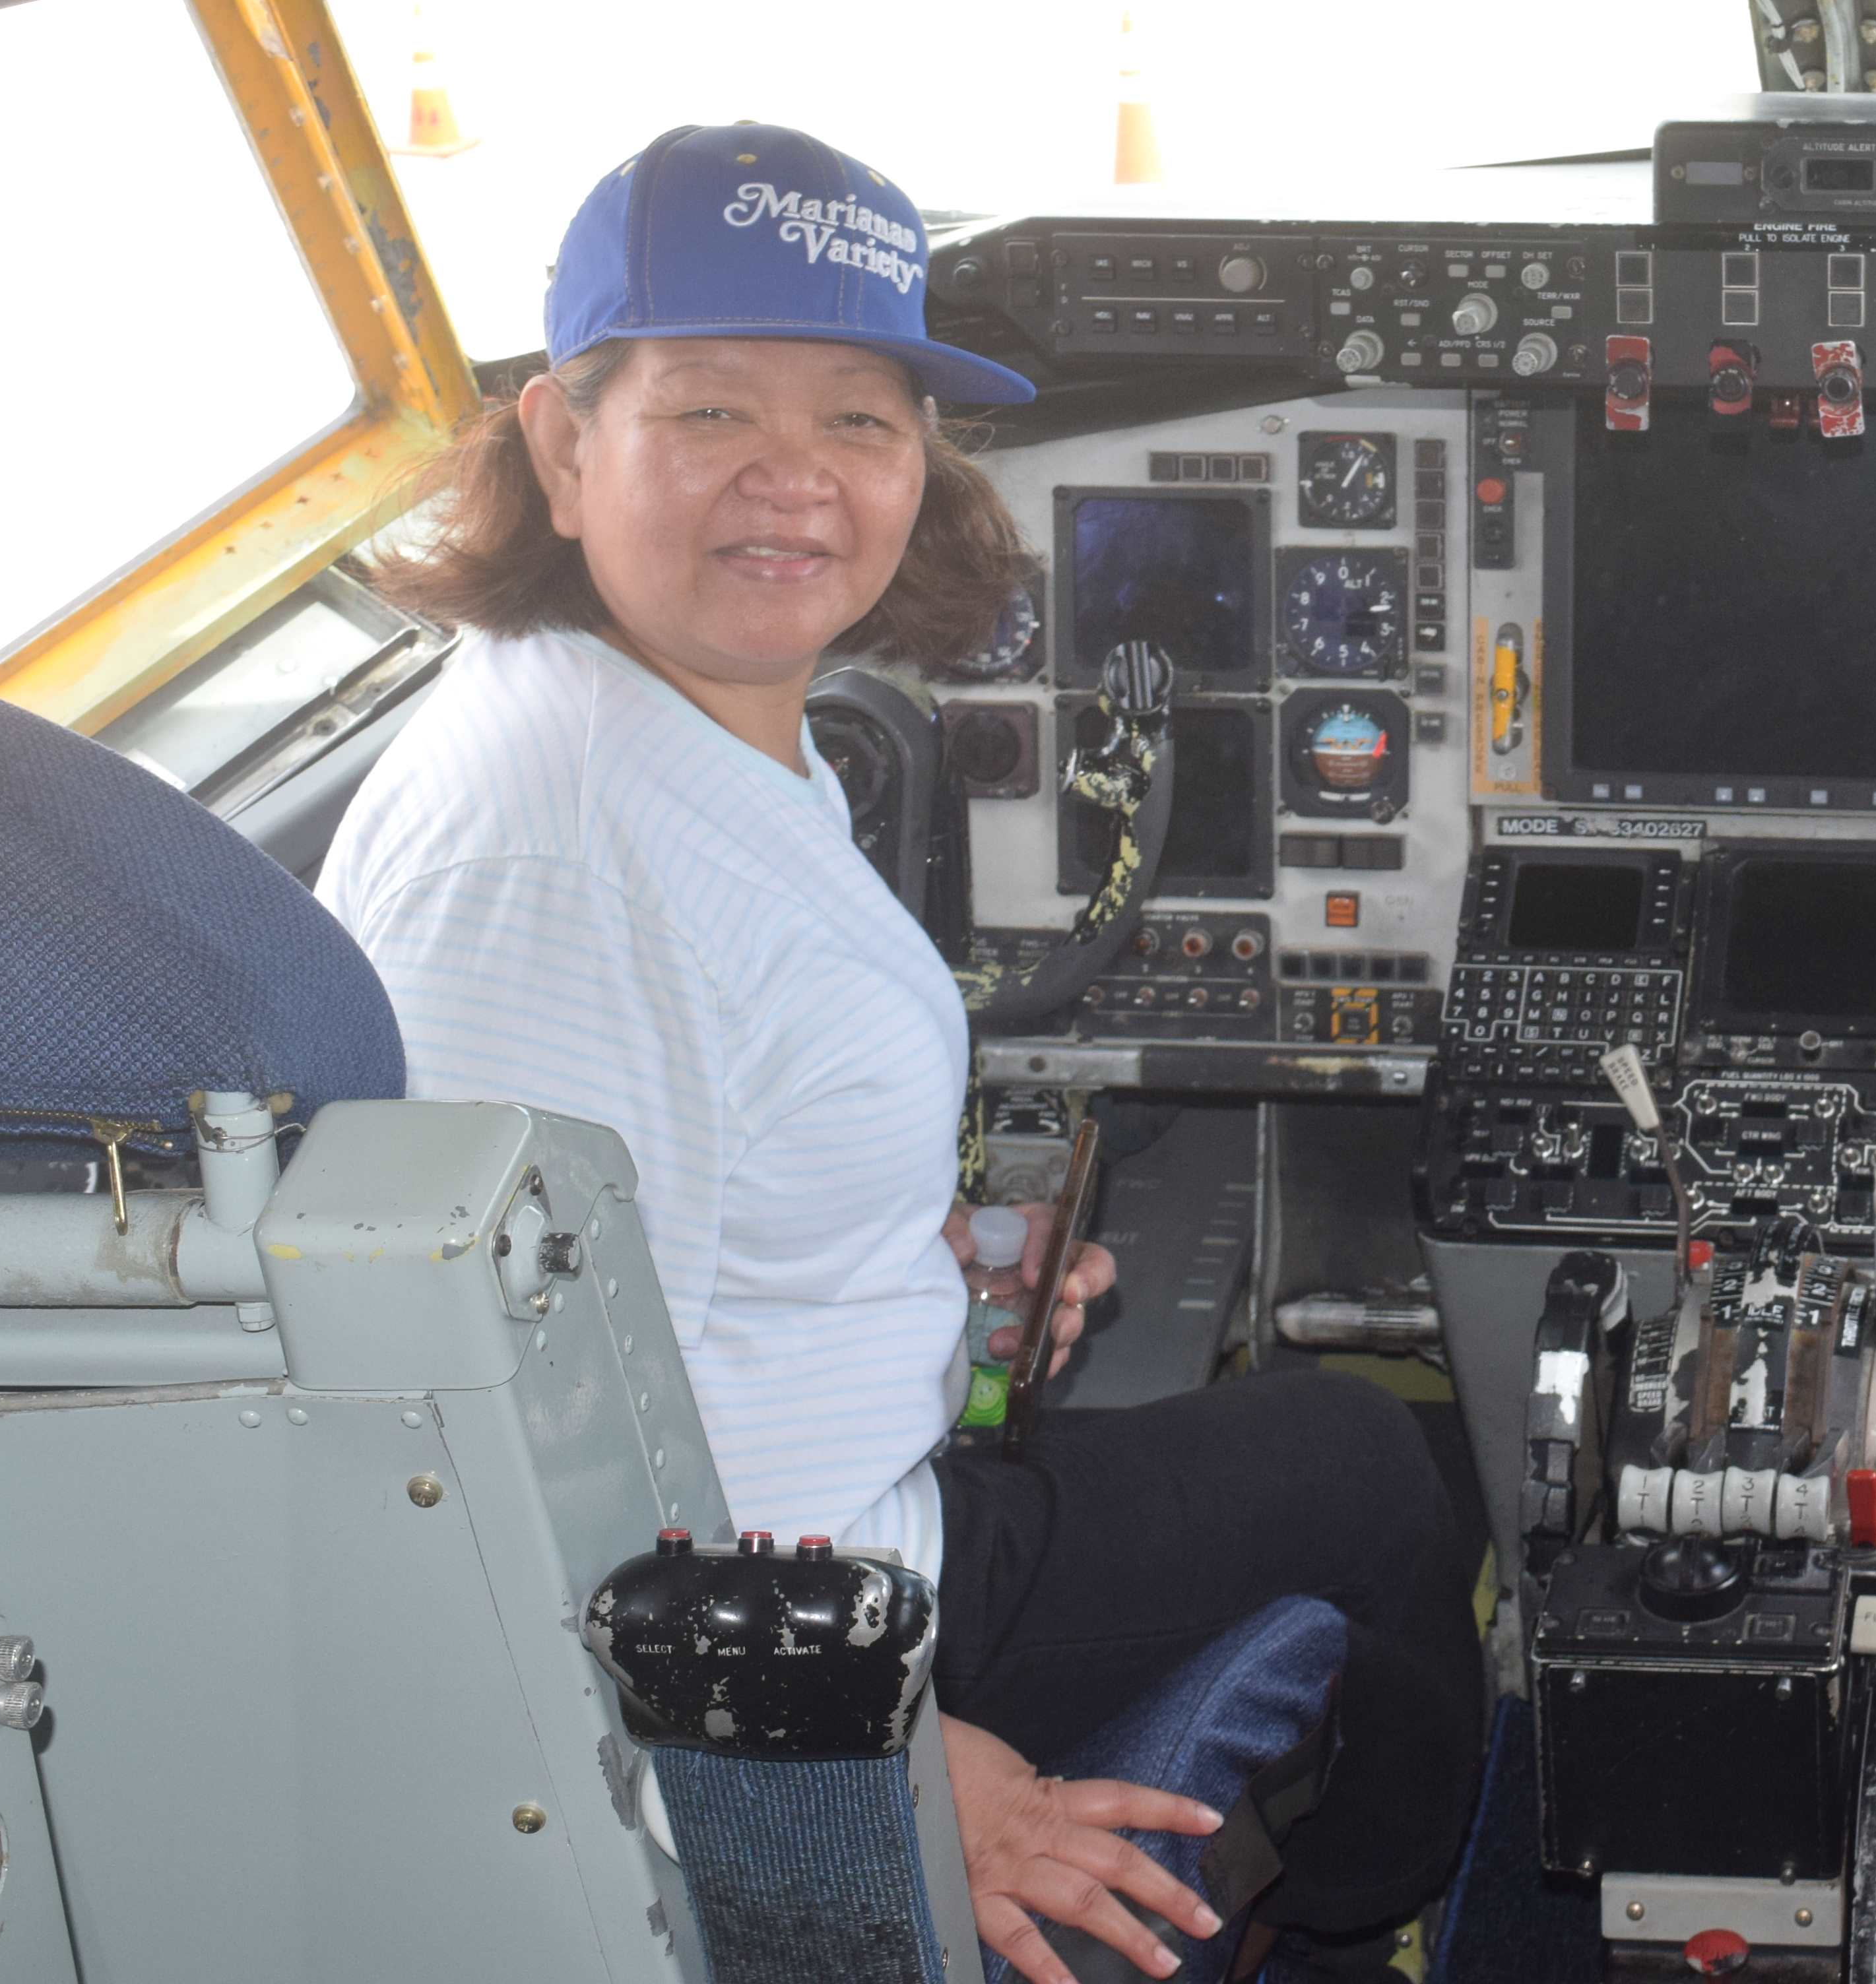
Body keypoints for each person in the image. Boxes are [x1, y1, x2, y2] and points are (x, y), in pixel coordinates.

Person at [317, 123, 1481, 1984]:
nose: (798, 485)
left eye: (861, 422)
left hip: (817, 1513)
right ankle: (1381, 1915)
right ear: (559, 442)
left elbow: (668, 1222)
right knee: (1366, 1466)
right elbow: (489, 1432)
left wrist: (896, 1277)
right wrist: (889, 1760)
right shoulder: (539, 861)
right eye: (711, 415)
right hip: (803, 1623)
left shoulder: (665, 719)